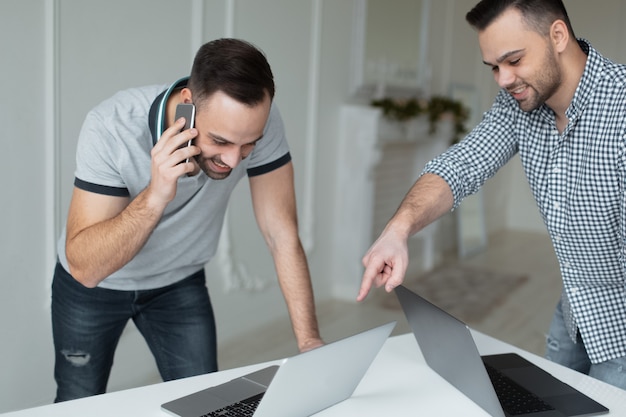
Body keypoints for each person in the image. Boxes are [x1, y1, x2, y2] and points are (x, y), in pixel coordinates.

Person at [358, 0, 626, 389]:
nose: (503, 79)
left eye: (514, 60)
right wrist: (398, 229)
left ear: (557, 35)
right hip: (575, 308)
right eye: (495, 67)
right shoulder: (521, 103)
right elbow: (462, 164)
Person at [51, 38, 324, 402]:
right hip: (93, 290)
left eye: (249, 145)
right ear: (187, 107)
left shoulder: (260, 123)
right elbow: (86, 268)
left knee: (207, 402)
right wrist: (156, 195)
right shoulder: (111, 127)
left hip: (179, 281)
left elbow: (281, 233)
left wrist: (309, 342)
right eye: (220, 141)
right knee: (76, 402)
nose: (234, 160)